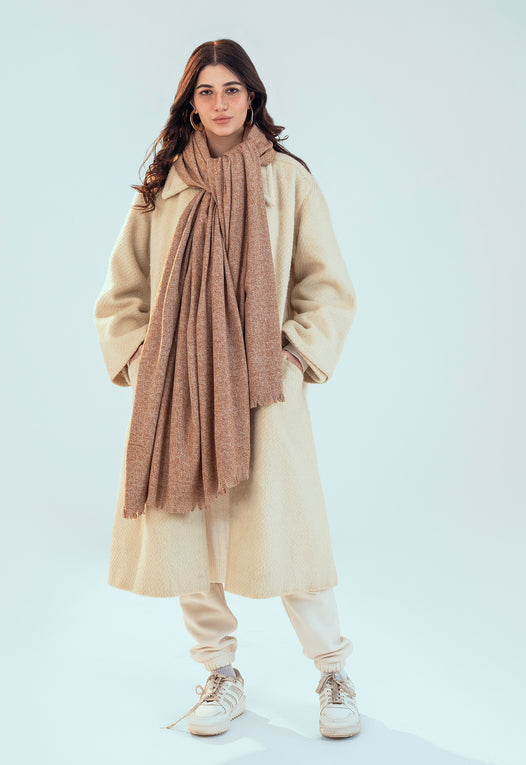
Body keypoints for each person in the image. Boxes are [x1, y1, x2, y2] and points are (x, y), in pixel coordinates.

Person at [94, 38, 360, 739]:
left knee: (289, 531)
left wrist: (294, 359)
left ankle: (333, 669)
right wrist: (146, 362)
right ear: (190, 102)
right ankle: (220, 672)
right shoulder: (163, 187)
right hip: (181, 388)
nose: (219, 104)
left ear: (252, 96)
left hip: (263, 388)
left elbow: (327, 288)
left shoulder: (288, 181)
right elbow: (120, 294)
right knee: (189, 528)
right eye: (206, 91)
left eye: (231, 89)